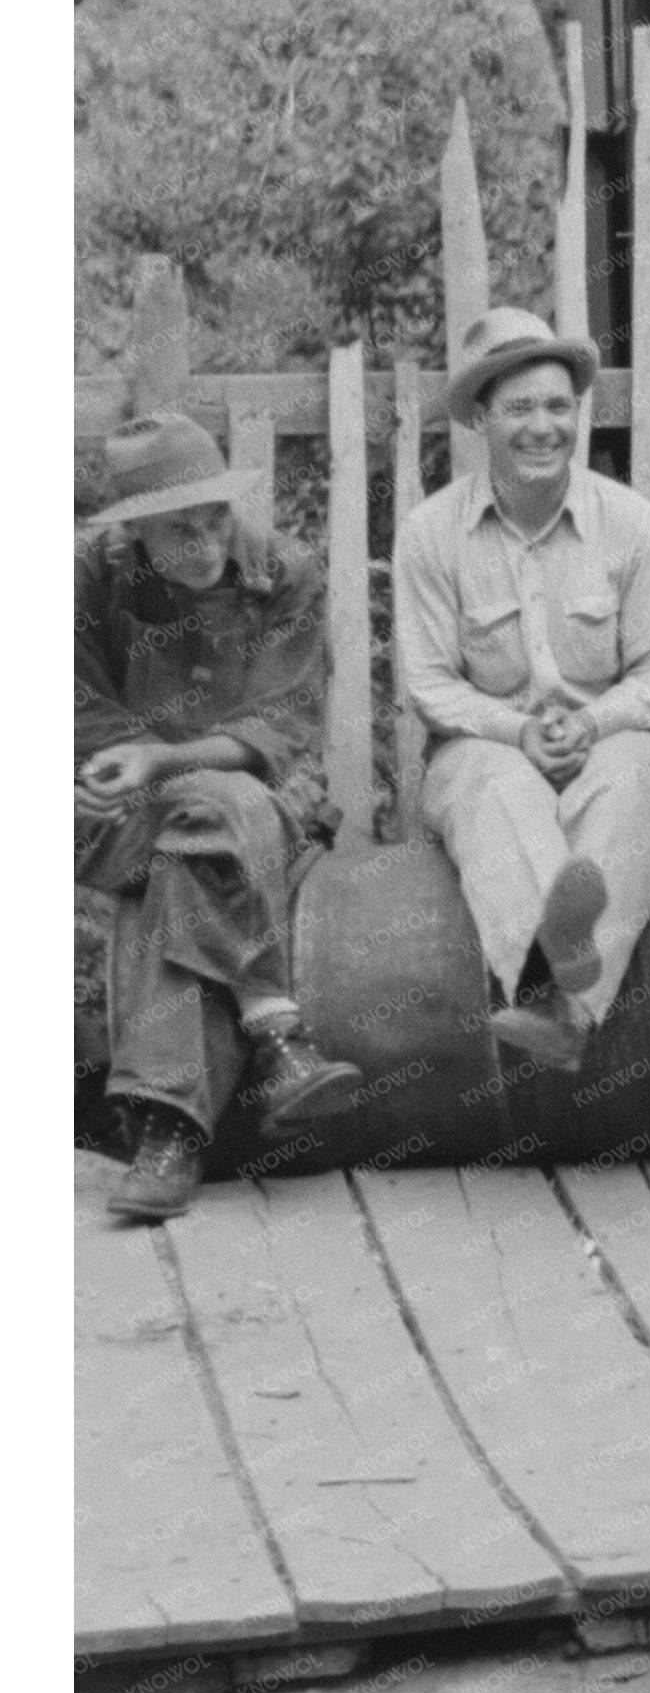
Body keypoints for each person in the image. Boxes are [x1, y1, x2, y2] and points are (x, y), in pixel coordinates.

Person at [397, 306, 650, 1073]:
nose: (542, 427)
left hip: (607, 737)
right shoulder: (432, 533)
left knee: (635, 779)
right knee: (495, 786)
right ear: (481, 420)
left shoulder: (628, 522)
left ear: (578, 416)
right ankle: (548, 972)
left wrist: (594, 724)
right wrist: (514, 731)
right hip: (487, 744)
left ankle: (565, 1007)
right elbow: (428, 679)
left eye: (559, 407)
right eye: (520, 408)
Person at [77, 412, 360, 1220]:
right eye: (178, 529)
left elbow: (280, 728)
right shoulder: (89, 580)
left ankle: (167, 1130)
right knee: (200, 825)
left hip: (258, 810)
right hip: (117, 814)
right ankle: (276, 1030)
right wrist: (118, 768)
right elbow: (82, 717)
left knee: (210, 825)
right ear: (133, 532)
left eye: (215, 518)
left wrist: (168, 760)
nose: (204, 542)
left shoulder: (286, 572)